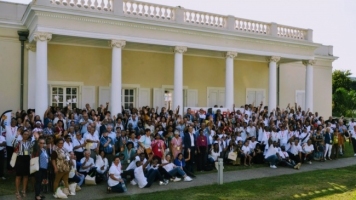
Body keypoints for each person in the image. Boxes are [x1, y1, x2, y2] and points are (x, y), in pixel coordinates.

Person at [13, 129, 37, 199]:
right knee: (18, 176)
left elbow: (34, 146)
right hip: (20, 158)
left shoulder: (30, 142)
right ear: (22, 135)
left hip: (27, 159)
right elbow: (13, 145)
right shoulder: (19, 142)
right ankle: (17, 191)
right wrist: (16, 135)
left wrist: (36, 138)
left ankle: (24, 190)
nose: (26, 135)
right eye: (24, 134)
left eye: (27, 134)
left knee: (26, 176)